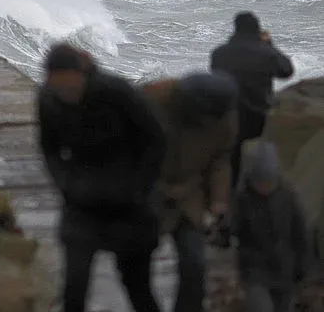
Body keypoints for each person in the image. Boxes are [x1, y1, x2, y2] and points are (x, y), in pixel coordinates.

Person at [37, 43, 167, 312]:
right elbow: (49, 149)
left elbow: (156, 140)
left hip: (129, 205)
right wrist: (66, 185)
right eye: (58, 88)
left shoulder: (116, 92)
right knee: (74, 286)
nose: (66, 94)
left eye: (70, 87)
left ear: (81, 74)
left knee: (138, 287)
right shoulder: (48, 99)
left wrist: (140, 188)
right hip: (82, 204)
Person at [142, 71, 239, 312]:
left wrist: (218, 201)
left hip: (189, 196)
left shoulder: (224, 118)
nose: (207, 125)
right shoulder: (153, 101)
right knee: (137, 264)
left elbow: (220, 161)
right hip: (147, 191)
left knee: (194, 262)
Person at [210, 11, 294, 186]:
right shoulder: (266, 53)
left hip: (230, 117)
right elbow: (286, 71)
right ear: (257, 30)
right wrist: (269, 44)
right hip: (259, 118)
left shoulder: (218, 54)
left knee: (232, 164)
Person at [233, 139, 309, 312]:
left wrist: (302, 268)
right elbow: (235, 229)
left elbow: (300, 234)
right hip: (255, 269)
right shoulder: (244, 199)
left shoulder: (288, 197)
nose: (264, 188)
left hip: (285, 270)